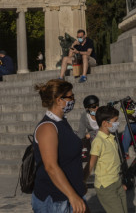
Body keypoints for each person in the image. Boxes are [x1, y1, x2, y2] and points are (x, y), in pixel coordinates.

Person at [32, 79, 86, 213]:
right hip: (55, 200)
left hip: (70, 195)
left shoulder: (62, 122)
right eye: (70, 96)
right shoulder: (48, 128)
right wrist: (72, 195)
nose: (73, 99)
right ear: (59, 100)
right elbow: (51, 166)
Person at [86, 105, 128, 213]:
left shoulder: (111, 138)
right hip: (106, 186)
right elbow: (91, 163)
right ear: (105, 123)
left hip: (116, 182)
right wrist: (82, 181)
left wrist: (120, 183)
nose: (117, 124)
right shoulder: (98, 141)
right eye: (115, 121)